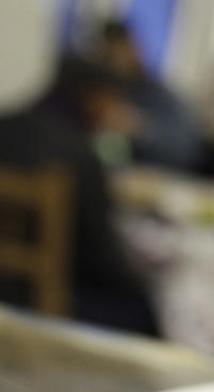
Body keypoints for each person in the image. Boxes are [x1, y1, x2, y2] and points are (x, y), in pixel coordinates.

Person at [0, 2, 158, 336]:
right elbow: (103, 259)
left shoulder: (7, 124)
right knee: (151, 305)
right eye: (111, 98)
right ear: (92, 97)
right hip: (48, 300)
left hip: (9, 287)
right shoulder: (80, 155)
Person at [93, 20, 214, 174]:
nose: (117, 63)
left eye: (122, 52)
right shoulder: (98, 92)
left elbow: (188, 150)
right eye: (108, 57)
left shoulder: (157, 93)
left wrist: (140, 128)